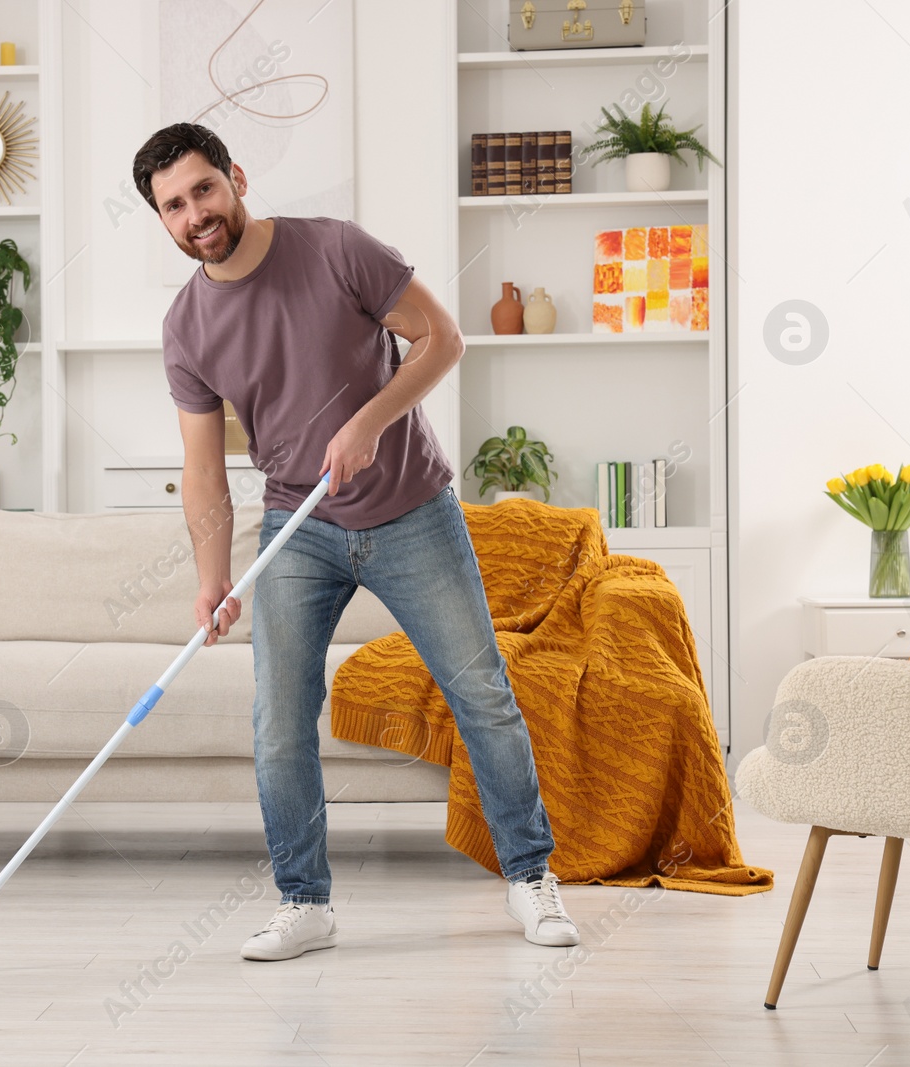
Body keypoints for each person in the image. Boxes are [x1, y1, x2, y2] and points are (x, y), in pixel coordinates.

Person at [131, 123, 579, 961]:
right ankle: (305, 902)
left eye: (203, 190)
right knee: (278, 721)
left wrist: (370, 421)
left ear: (236, 176)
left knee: (481, 695)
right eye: (174, 206)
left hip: (412, 509)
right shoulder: (187, 326)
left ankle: (530, 877)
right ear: (162, 221)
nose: (195, 213)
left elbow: (443, 338)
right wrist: (212, 577)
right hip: (299, 528)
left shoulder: (336, 250)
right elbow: (201, 470)